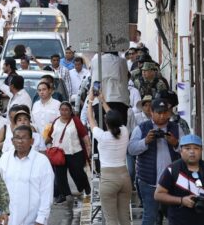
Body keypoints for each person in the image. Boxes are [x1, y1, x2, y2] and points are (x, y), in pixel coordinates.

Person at [128, 98, 184, 225]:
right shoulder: (142, 128)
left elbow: (188, 151)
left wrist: (176, 143)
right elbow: (131, 150)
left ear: (169, 113)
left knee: (175, 216)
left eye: (165, 112)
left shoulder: (176, 128)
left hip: (172, 182)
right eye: (159, 112)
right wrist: (145, 141)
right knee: (150, 216)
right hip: (148, 182)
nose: (162, 115)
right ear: (151, 112)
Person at [155, 134, 204, 225]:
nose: (192, 151)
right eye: (187, 148)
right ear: (181, 150)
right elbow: (158, 195)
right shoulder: (172, 169)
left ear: (201, 150)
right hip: (179, 221)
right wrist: (182, 200)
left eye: (196, 148)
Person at [87, 91, 131, 225]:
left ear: (106, 123)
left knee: (111, 219)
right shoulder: (124, 131)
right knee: (124, 217)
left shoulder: (102, 136)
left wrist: (90, 101)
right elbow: (113, 117)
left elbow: (91, 119)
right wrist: (103, 101)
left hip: (108, 179)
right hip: (124, 177)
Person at [0, 124, 54, 225]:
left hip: (32, 221)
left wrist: (41, 219)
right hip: (7, 220)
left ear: (32, 141)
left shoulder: (42, 161)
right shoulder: (4, 158)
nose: (20, 141)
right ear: (12, 141)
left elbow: (47, 193)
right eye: (17, 138)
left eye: (24, 138)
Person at [45, 101, 90, 202]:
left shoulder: (75, 121)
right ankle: (66, 195)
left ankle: (85, 187)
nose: (64, 112)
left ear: (70, 111)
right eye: (62, 110)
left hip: (75, 153)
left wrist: (88, 146)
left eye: (66, 110)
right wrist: (43, 145)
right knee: (60, 176)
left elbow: (84, 134)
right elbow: (49, 136)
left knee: (78, 173)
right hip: (59, 154)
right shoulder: (56, 121)